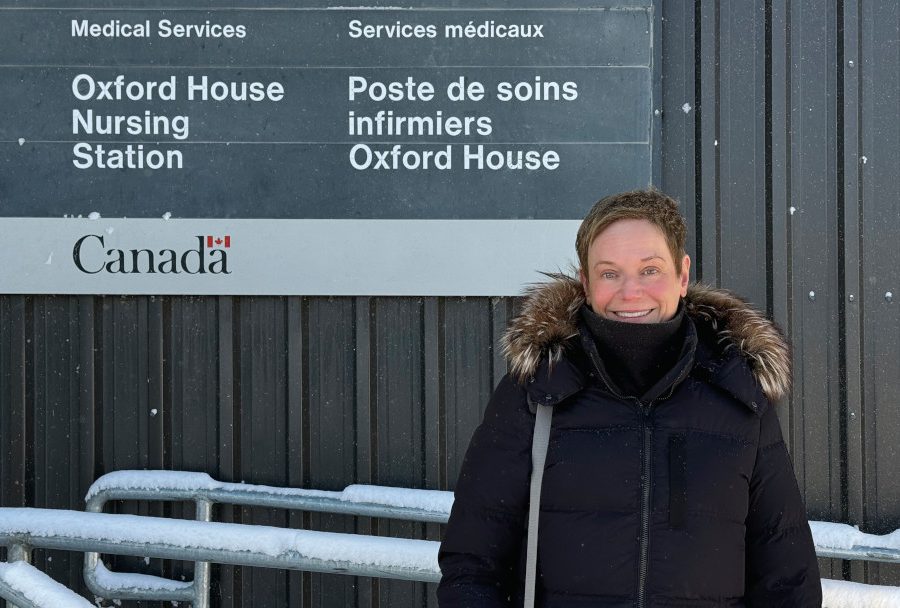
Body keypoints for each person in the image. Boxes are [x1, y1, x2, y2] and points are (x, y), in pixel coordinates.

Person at [437, 190, 822, 607]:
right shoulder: (537, 391)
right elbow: (473, 564)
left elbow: (788, 580)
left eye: (650, 269)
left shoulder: (738, 394)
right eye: (609, 273)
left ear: (682, 275)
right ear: (586, 283)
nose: (631, 292)